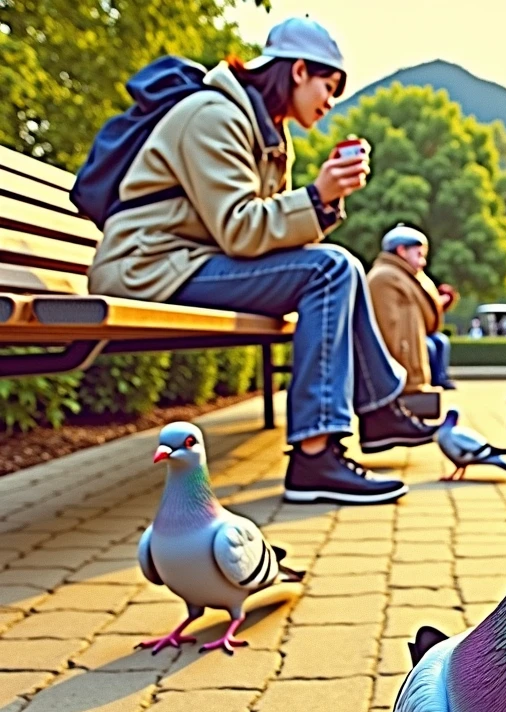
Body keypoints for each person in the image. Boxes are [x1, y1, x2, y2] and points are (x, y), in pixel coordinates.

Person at [87, 18, 435, 505]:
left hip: (189, 261)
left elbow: (260, 232)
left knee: (343, 266)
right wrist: (318, 195)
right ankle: (316, 455)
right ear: (297, 71)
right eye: (328, 86)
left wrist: (323, 200)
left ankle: (376, 410)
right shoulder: (213, 115)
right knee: (331, 268)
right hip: (148, 266)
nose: (330, 102)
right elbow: (241, 228)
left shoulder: (265, 131)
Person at [368, 224, 456, 396]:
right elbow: (391, 331)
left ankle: (438, 378)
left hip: (418, 343)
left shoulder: (408, 276)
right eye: (419, 254)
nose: (423, 261)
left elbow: (424, 312)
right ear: (401, 251)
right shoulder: (386, 278)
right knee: (430, 346)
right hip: (402, 366)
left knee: (439, 341)